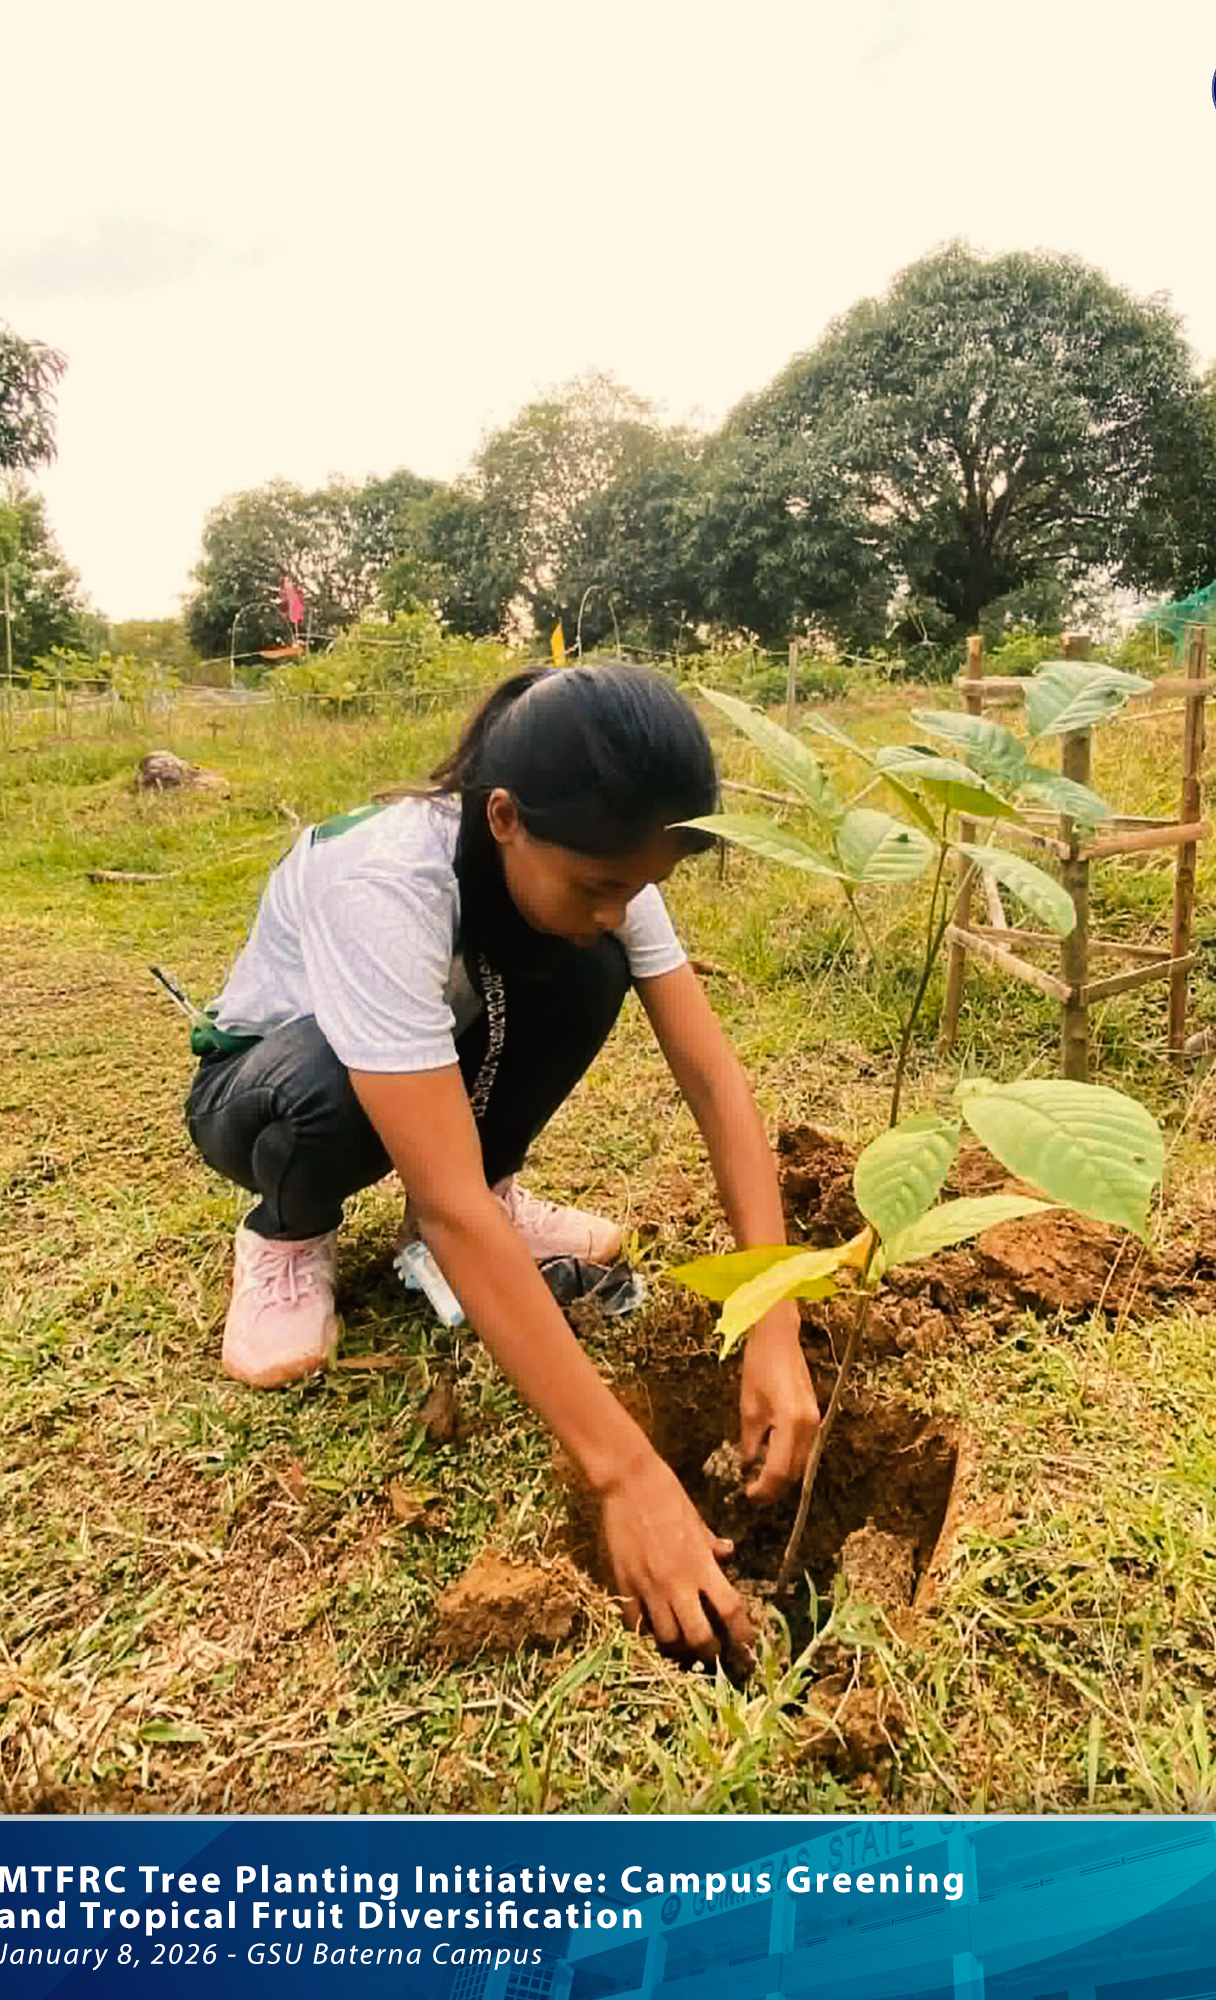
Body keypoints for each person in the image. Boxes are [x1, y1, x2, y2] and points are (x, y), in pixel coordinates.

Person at [185, 662, 819, 1662]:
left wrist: (772, 1321)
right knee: (330, 1086)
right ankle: (286, 1233)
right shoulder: (387, 881)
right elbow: (440, 1206)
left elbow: (715, 1084)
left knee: (588, 964)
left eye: (643, 885)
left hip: (425, 1065)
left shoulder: (604, 865)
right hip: (264, 1090)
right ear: (504, 817)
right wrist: (624, 1474)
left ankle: (503, 1187)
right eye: (602, 883)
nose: (622, 904)